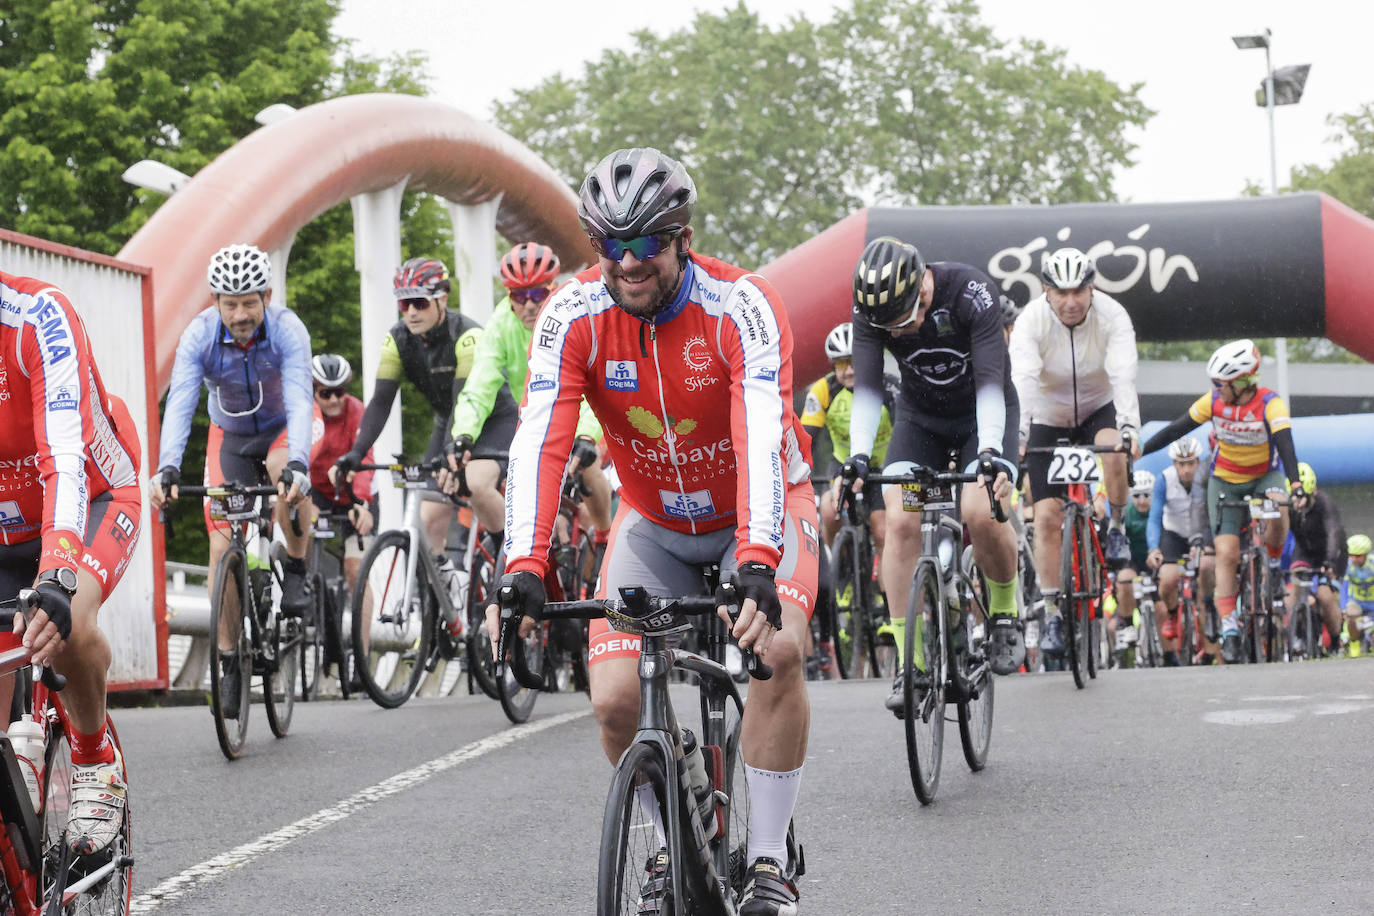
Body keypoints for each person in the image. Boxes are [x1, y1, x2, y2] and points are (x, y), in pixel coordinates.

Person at [487, 147, 816, 915]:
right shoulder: (572, 315)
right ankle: (668, 842)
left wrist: (759, 557)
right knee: (611, 702)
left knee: (777, 650)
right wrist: (524, 565)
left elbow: (761, 433)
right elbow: (541, 439)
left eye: (645, 245)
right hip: (655, 519)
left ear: (682, 237)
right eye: (610, 246)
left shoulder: (742, 305)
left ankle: (769, 858)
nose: (627, 264)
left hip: (755, 512)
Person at [842, 235, 1025, 710]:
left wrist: (988, 453)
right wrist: (859, 457)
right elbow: (865, 391)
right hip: (920, 420)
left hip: (981, 417)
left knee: (980, 511)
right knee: (900, 521)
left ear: (922, 286)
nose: (903, 332)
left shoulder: (969, 291)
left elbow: (990, 381)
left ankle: (1005, 609)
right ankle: (911, 664)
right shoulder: (869, 312)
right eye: (892, 328)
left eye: (907, 320)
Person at [0, 271, 140, 856]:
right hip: (7, 527)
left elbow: (64, 458)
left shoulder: (38, 317)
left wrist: (57, 573)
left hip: (91, 496)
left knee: (69, 622)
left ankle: (92, 761)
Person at [150, 243, 315, 717]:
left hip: (283, 429)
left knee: (287, 474)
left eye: (249, 302)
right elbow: (180, 402)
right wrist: (169, 467)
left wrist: (301, 460)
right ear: (215, 301)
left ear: (266, 295)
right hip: (232, 436)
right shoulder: (198, 336)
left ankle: (298, 567)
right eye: (230, 303)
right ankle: (228, 658)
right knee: (222, 548)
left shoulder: (288, 330)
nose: (240, 314)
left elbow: (303, 398)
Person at [334, 257, 518, 597]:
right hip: (446, 422)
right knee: (429, 516)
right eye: (404, 303)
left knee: (475, 485)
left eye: (419, 302)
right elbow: (381, 401)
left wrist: (453, 453)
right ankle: (447, 599)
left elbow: (464, 398)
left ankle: (510, 551)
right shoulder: (398, 339)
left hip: (493, 420)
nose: (411, 312)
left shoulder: (468, 336)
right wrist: (356, 453)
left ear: (442, 299)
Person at [1009, 247, 1140, 658]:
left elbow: (1123, 373)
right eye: (1060, 292)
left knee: (1113, 448)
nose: (1070, 302)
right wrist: (1019, 434)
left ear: (1091, 288)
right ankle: (1051, 611)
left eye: (1078, 292)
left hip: (1099, 407)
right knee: (1046, 516)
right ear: (1046, 291)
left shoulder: (1113, 315)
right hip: (1048, 413)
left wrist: (1129, 426)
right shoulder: (1031, 320)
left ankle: (1116, 525)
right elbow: (1024, 379)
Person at [1141, 339, 1302, 665]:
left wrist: (1296, 483)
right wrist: (1139, 451)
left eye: (1220, 383)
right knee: (1226, 554)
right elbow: (1176, 428)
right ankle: (1229, 627)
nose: (1215, 388)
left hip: (1262, 479)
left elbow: (1285, 442)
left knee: (1278, 505)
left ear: (1242, 382)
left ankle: (1271, 562)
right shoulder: (1214, 402)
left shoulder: (1271, 403)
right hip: (1225, 482)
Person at [445, 242, 612, 536]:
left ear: (554, 287)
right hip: (537, 414)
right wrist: (463, 434)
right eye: (520, 296)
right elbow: (480, 385)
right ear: (509, 296)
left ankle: (603, 535)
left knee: (587, 465)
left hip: (587, 410)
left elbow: (593, 388)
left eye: (538, 293)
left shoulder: (572, 314)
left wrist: (586, 435)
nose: (530, 305)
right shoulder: (501, 324)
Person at [800, 322, 895, 551]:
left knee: (881, 530)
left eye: (854, 361)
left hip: (882, 465)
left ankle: (885, 587)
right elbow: (806, 441)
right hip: (842, 463)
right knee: (829, 512)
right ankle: (842, 574)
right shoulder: (823, 391)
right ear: (833, 365)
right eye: (842, 364)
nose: (850, 370)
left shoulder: (887, 386)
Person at [308, 354, 375, 605]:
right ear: (314, 392)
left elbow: (366, 459)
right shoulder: (305, 412)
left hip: (354, 492)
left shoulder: (357, 411)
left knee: (357, 571)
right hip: (318, 490)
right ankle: (300, 597)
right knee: (297, 537)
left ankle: (362, 644)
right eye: (326, 394)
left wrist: (362, 503)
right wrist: (304, 499)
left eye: (339, 392)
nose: (335, 399)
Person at [1144, 436, 1216, 665]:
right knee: (1167, 579)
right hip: (1173, 534)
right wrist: (1154, 548)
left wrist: (1209, 545)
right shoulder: (1164, 480)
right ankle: (1174, 614)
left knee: (1206, 573)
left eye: (1191, 464)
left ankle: (1209, 640)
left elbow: (1214, 514)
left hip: (1202, 530)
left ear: (1198, 462)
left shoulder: (1208, 477)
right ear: (1175, 464)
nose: (1186, 470)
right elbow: (1154, 518)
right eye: (1181, 464)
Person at [1284, 462, 1346, 655]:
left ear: (1314, 492)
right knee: (1294, 590)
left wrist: (1329, 563)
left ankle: (1335, 641)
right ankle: (1296, 633)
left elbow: (1333, 533)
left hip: (1332, 552)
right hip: (1305, 552)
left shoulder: (1324, 504)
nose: (1300, 506)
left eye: (1305, 499)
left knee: (1325, 596)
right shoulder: (1291, 507)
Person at [1109, 470, 1155, 658]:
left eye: (1146, 495)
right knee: (1125, 580)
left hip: (1154, 559)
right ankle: (1127, 624)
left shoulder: (1160, 510)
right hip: (1132, 561)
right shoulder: (1125, 514)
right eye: (1137, 496)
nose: (1142, 500)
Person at [1341, 534, 1374, 657]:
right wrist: (1343, 609)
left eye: (1358, 556)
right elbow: (1344, 588)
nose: (1354, 559)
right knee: (1351, 615)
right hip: (1357, 601)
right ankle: (1354, 643)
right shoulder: (1348, 566)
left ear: (1366, 554)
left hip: (1373, 603)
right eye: (1351, 555)